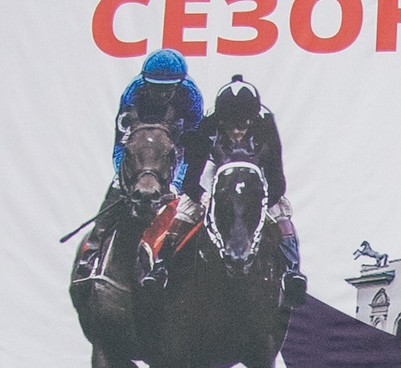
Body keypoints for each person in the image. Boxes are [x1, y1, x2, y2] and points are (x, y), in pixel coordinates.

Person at [143, 74, 306, 309]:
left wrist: (261, 201)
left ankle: (292, 271)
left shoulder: (266, 123)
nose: (237, 131)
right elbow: (191, 179)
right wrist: (203, 197)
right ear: (221, 121)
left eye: (243, 125)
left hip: (255, 174)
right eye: (231, 125)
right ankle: (161, 268)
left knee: (280, 212)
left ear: (253, 120)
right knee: (185, 212)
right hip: (214, 169)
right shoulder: (207, 126)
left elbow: (277, 179)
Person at [77, 48, 202, 286]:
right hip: (139, 145)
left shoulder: (191, 97)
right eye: (155, 87)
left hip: (173, 146)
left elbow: (193, 148)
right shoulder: (132, 94)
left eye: (168, 88)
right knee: (117, 188)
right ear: (145, 82)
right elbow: (120, 146)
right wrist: (126, 178)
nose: (161, 94)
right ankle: (92, 250)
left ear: (180, 84)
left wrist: (177, 183)